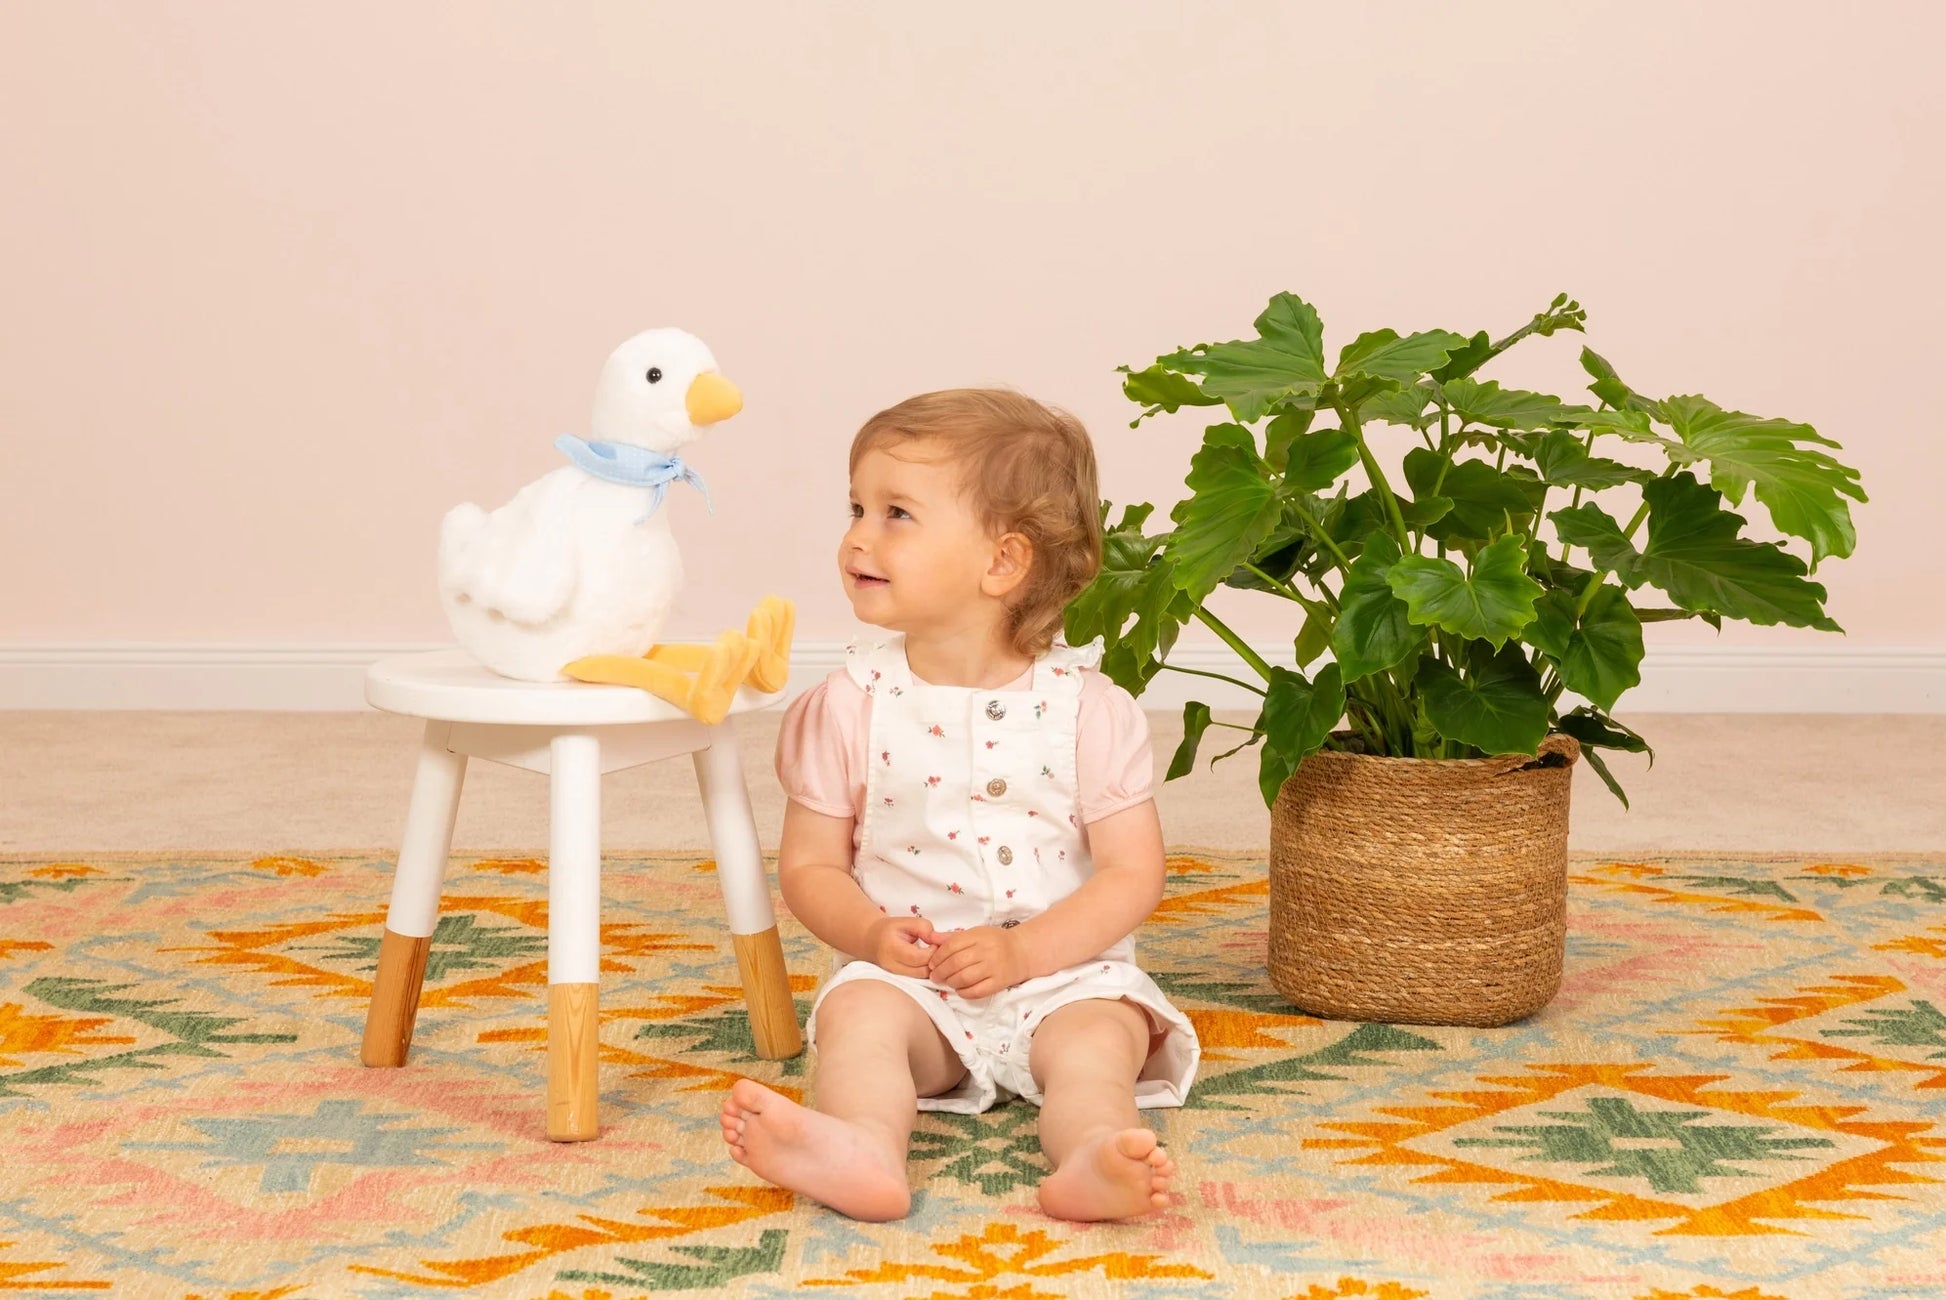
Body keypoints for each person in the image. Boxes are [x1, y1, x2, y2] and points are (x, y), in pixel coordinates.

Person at [719, 388, 1199, 1222]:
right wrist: (871, 935)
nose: (858, 537)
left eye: (897, 513)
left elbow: (1132, 874)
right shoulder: (849, 705)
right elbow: (809, 866)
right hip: (918, 988)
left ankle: (1094, 1154)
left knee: (1097, 1051)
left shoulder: (1089, 710)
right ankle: (864, 1146)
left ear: (1003, 563)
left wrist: (1025, 953)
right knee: (861, 1024)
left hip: (1066, 978)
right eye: (857, 508)